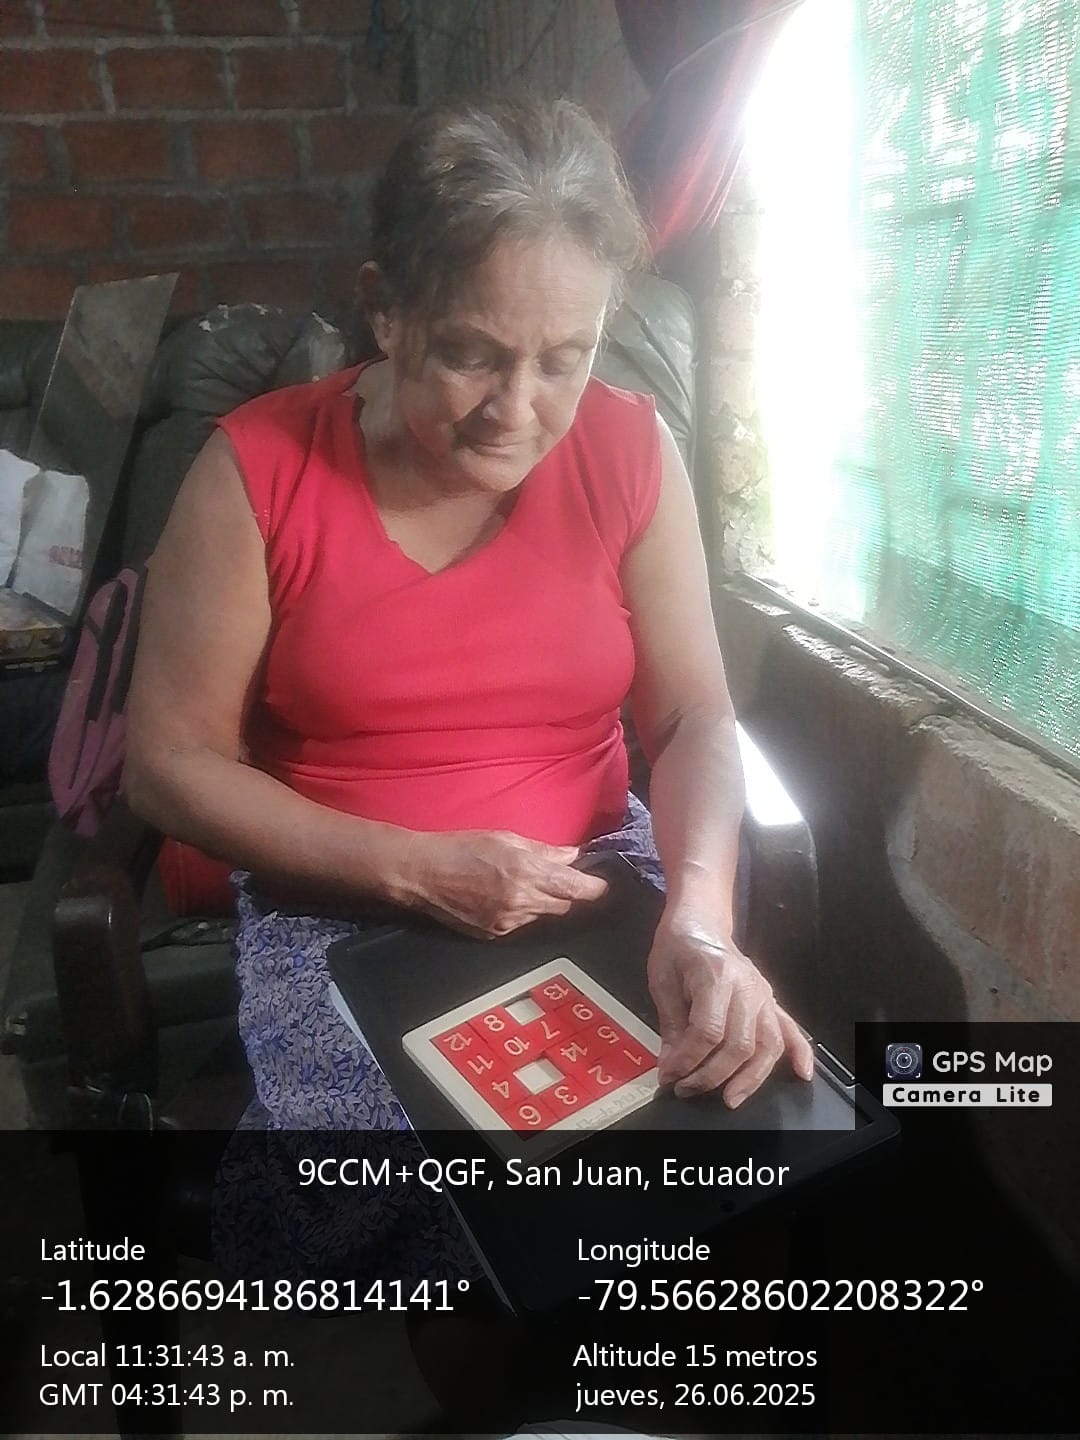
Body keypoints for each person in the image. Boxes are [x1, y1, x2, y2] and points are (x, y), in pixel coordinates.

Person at [125, 94, 814, 1144]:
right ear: (385, 310)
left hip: (593, 879)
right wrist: (412, 868)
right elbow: (169, 763)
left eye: (564, 358)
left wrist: (702, 917)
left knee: (704, 1140)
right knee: (408, 1183)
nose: (517, 410)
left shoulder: (631, 453)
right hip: (342, 914)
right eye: (471, 354)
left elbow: (692, 722)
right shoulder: (257, 470)